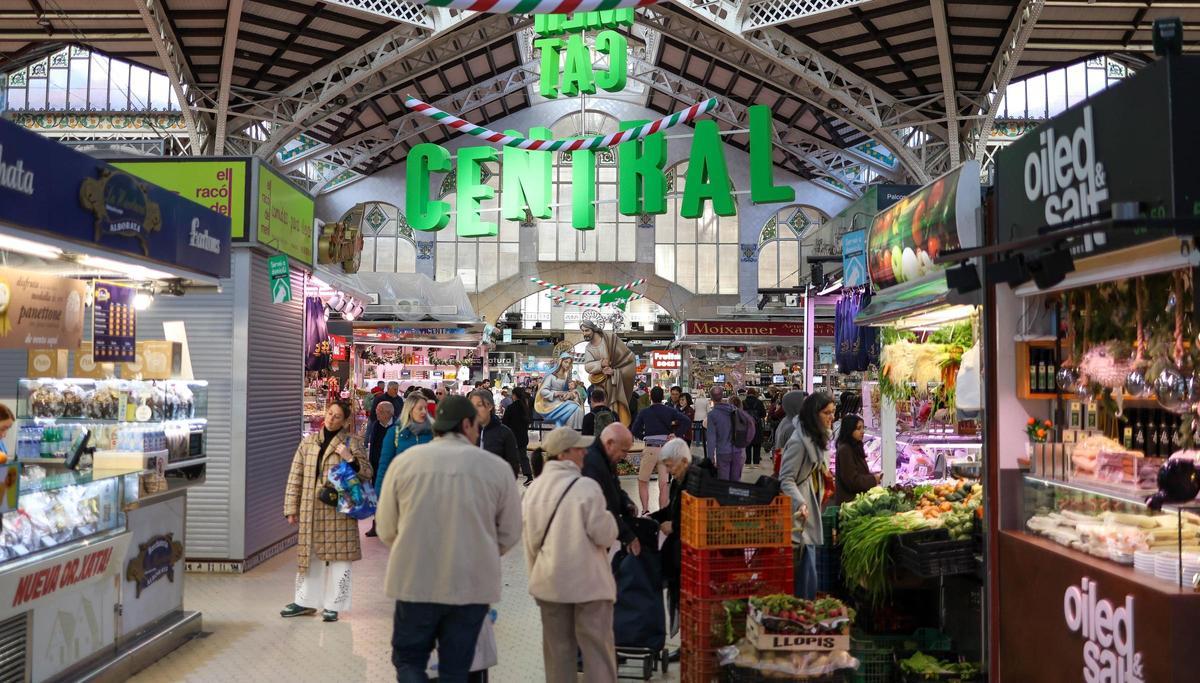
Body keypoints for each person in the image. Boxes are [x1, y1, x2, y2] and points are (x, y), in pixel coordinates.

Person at [376, 395, 522, 682]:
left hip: (414, 583)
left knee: (409, 662)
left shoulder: (405, 463)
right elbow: (509, 533)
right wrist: (481, 551)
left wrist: (411, 549)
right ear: (467, 425)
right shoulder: (496, 469)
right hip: (470, 586)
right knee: (457, 670)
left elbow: (386, 528)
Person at [523, 427, 619, 682]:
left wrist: (536, 579)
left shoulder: (533, 490)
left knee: (558, 656)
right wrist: (611, 517)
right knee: (598, 653)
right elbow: (605, 535)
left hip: (550, 586)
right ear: (564, 454)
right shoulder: (586, 487)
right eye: (579, 448)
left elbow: (530, 544)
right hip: (589, 587)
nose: (584, 452)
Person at [282, 402, 371, 622]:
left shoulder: (352, 443)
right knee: (308, 556)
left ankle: (335, 605)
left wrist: (350, 458)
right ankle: (304, 602)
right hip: (311, 508)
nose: (331, 419)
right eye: (330, 414)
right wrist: (291, 507)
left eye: (337, 416)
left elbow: (367, 473)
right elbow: (296, 476)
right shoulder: (309, 442)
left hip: (339, 509)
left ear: (345, 421)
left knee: (340, 558)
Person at [649, 438, 712, 631]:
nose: (668, 471)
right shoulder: (681, 479)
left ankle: (691, 637)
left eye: (670, 466)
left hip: (694, 555)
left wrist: (675, 526)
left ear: (684, 461)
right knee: (682, 598)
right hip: (682, 552)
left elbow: (700, 517)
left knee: (691, 599)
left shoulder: (699, 481)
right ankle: (686, 639)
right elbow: (672, 509)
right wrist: (652, 518)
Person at [780, 393, 835, 600]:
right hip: (800, 513)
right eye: (826, 413)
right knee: (805, 565)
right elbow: (786, 479)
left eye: (833, 413)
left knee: (809, 563)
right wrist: (800, 502)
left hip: (811, 506)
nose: (831, 417)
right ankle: (803, 607)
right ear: (814, 414)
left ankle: (805, 604)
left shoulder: (814, 436)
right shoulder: (799, 441)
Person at [630, 386, 691, 512]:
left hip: (650, 448)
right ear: (663, 397)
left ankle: (645, 510)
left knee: (643, 480)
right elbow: (686, 420)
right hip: (665, 450)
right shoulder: (669, 411)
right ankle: (662, 511)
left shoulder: (644, 412)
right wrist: (676, 434)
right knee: (663, 483)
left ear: (650, 397)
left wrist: (645, 437)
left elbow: (634, 430)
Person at [582, 423, 640, 556]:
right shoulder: (592, 462)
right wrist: (627, 536)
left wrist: (626, 502)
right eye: (624, 450)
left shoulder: (606, 459)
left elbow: (615, 487)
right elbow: (603, 506)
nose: (625, 456)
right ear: (609, 443)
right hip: (589, 538)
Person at [580, 320, 637, 426]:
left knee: (615, 411)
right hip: (601, 384)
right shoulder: (588, 348)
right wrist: (601, 364)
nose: (584, 334)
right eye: (583, 331)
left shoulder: (610, 339)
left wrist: (615, 372)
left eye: (587, 330)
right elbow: (587, 366)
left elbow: (628, 358)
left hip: (615, 384)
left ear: (593, 329)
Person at [375, 394, 434, 493]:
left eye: (425, 408)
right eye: (420, 408)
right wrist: (378, 495)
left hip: (428, 492)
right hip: (402, 491)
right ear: (410, 410)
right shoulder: (395, 432)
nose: (424, 411)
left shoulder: (433, 433)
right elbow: (384, 466)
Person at [363, 400, 396, 537]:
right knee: (375, 496)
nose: (377, 414)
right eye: (376, 411)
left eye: (380, 412)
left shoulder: (396, 427)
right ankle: (376, 524)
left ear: (389, 413)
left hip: (392, 467)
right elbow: (374, 447)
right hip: (377, 465)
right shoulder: (377, 425)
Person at [470, 389, 520, 475]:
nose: (475, 410)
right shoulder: (466, 433)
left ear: (490, 406)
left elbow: (513, 467)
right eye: (472, 406)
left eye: (479, 405)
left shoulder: (505, 433)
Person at [535, 347, 584, 429]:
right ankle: (570, 431)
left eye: (569, 363)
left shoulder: (566, 377)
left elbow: (567, 390)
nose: (567, 365)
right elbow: (542, 391)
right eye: (566, 362)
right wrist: (555, 393)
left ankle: (574, 432)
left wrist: (570, 394)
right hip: (551, 402)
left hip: (562, 401)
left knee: (578, 409)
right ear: (561, 362)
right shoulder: (551, 376)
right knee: (574, 407)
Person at [835, 414, 878, 504]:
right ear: (849, 430)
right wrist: (873, 480)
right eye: (858, 428)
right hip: (849, 503)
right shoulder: (845, 450)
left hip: (856, 501)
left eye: (863, 428)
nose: (862, 431)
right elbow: (852, 481)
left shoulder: (855, 446)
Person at [705, 387, 745, 481]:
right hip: (737, 450)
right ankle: (734, 495)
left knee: (724, 482)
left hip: (723, 451)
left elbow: (711, 437)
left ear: (711, 398)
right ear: (723, 396)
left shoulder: (712, 415)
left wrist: (710, 457)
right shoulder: (734, 410)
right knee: (735, 482)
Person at [502, 386, 534, 486]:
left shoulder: (511, 408)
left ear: (514, 395)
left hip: (512, 437)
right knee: (523, 457)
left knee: (511, 457)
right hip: (523, 436)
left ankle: (509, 477)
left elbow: (504, 422)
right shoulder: (525, 408)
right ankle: (529, 476)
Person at [743, 388, 767, 466]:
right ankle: (756, 463)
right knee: (757, 446)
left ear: (747, 393)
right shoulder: (759, 402)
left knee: (747, 446)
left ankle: (748, 462)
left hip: (747, 427)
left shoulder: (743, 402)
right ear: (754, 393)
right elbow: (763, 414)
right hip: (757, 427)